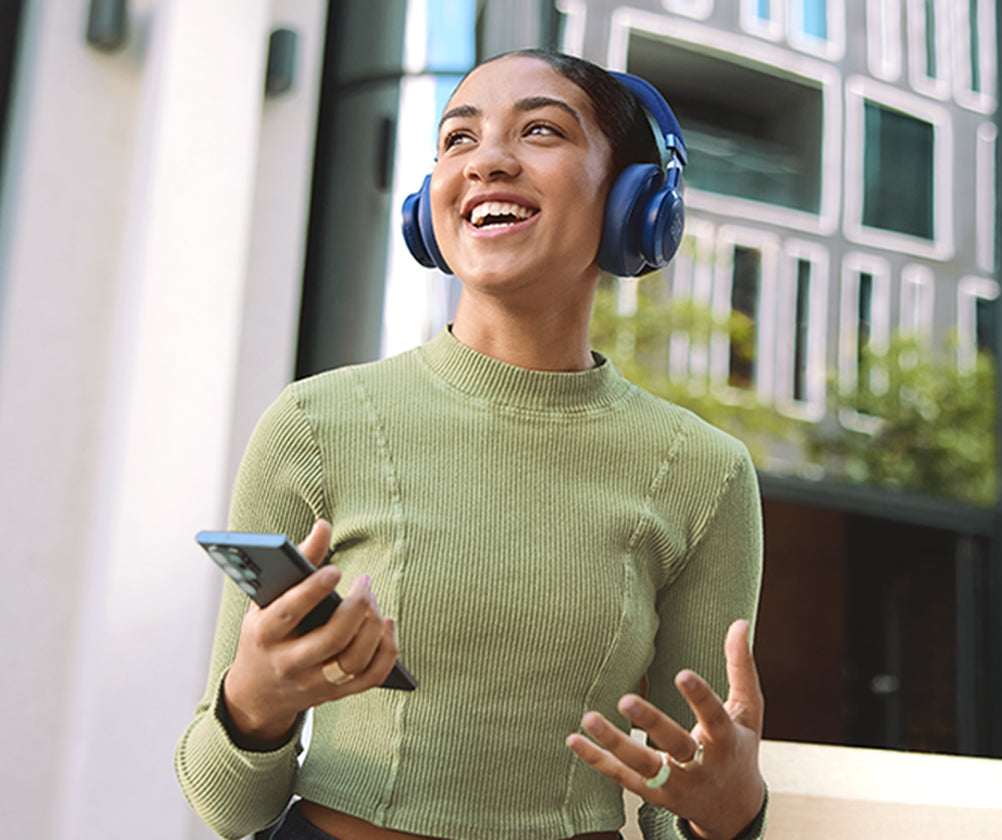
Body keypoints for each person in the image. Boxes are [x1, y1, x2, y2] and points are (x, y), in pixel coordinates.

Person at [174, 49, 767, 840]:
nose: (487, 160)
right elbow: (225, 807)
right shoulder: (314, 422)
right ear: (431, 204)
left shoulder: (705, 474)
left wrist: (731, 815)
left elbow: (679, 794)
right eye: (457, 140)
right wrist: (255, 700)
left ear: (634, 202)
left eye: (542, 131)